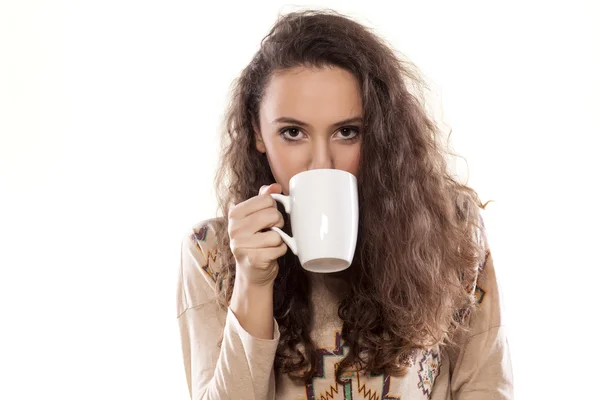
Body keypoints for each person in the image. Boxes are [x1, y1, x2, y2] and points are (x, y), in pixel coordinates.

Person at [176, 9, 513, 400]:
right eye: (292, 132)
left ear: (380, 132)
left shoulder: (449, 226)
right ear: (257, 133)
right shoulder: (210, 252)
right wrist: (253, 282)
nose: (322, 163)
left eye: (347, 132)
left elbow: (486, 386)